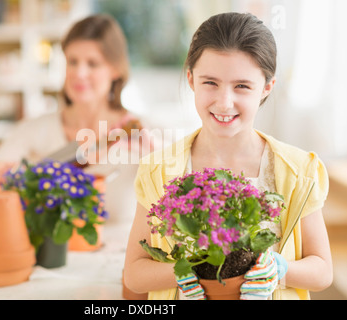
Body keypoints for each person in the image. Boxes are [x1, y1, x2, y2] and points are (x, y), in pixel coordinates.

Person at [124, 12, 332, 300]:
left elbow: (322, 271)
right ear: (191, 79)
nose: (224, 102)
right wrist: (185, 271)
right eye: (210, 82)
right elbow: (134, 274)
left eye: (242, 86)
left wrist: (279, 268)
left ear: (267, 87)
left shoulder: (299, 170)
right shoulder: (158, 170)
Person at [0, 14, 151, 225]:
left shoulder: (144, 132)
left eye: (92, 63)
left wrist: (154, 158)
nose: (79, 73)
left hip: (121, 256)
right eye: (72, 61)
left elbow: (177, 196)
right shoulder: (35, 129)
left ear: (115, 70)